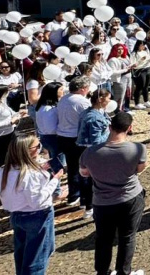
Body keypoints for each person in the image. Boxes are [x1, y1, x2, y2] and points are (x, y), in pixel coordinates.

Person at [80, 112, 147, 275]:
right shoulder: (138, 148)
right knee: (127, 236)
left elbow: (84, 173)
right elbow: (140, 168)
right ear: (129, 128)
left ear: (110, 127)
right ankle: (124, 271)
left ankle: (102, 272)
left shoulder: (90, 153)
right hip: (130, 197)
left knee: (103, 239)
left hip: (102, 201)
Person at [0, 133, 61, 275]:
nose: (40, 149)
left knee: (22, 255)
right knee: (37, 258)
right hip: (38, 216)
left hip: (17, 216)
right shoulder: (30, 174)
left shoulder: (2, 171)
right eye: (38, 146)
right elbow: (37, 200)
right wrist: (55, 180)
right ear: (29, 150)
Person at [56, 76, 92, 208]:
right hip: (77, 138)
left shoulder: (63, 99)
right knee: (84, 169)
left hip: (63, 137)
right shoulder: (82, 102)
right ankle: (84, 198)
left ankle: (73, 195)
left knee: (72, 168)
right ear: (83, 89)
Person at [77, 88, 112, 218]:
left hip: (84, 149)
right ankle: (90, 207)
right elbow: (96, 141)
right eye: (108, 98)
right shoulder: (94, 118)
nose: (109, 101)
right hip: (93, 152)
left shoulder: (89, 112)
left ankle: (84, 202)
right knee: (93, 180)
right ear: (100, 99)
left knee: (85, 178)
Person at [107, 44, 132, 111]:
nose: (120, 51)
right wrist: (124, 70)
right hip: (119, 80)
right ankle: (117, 110)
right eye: (118, 49)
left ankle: (125, 108)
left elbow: (129, 65)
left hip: (128, 78)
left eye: (122, 49)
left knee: (127, 94)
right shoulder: (112, 60)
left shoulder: (125, 57)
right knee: (120, 96)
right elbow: (112, 72)